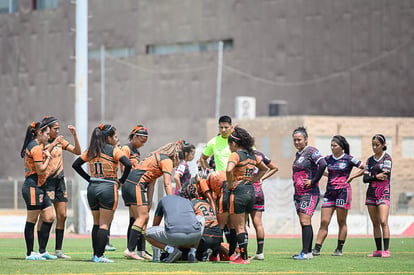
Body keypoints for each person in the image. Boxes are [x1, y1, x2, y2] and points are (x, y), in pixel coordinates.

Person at [72, 124, 132, 263]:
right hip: (108, 187)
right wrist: (121, 181)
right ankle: (100, 256)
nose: (116, 139)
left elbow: (75, 165)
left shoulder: (92, 150)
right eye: (115, 136)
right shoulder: (114, 150)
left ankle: (95, 255)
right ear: (108, 138)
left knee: (96, 223)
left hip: (92, 187)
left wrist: (89, 178)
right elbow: (128, 164)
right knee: (105, 224)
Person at [121, 141, 181, 260]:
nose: (177, 164)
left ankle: (141, 251)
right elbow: (167, 183)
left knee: (142, 217)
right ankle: (130, 250)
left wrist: (148, 202)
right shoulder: (167, 160)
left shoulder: (155, 157)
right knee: (142, 217)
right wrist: (171, 202)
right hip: (136, 185)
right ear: (176, 156)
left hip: (130, 185)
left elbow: (151, 183)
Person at [312, 135, 364, 257]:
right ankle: (317, 248)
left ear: (342, 147)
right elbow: (318, 167)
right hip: (329, 193)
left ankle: (339, 248)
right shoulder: (327, 159)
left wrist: (352, 177)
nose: (332, 147)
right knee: (324, 221)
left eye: (334, 145)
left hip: (343, 192)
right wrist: (324, 174)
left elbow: (365, 167)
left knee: (341, 221)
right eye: (331, 145)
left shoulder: (349, 159)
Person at [37, 116, 81, 259]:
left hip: (59, 181)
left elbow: (77, 151)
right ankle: (41, 249)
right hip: (47, 181)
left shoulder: (60, 142)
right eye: (55, 128)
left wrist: (74, 135)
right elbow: (42, 155)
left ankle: (58, 250)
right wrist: (54, 142)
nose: (57, 130)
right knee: (46, 217)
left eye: (58, 128)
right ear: (48, 129)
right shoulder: (41, 142)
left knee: (62, 215)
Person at [226, 126, 268, 264]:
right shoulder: (252, 155)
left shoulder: (235, 155)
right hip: (251, 192)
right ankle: (243, 255)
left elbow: (229, 169)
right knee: (243, 226)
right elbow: (264, 168)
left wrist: (230, 183)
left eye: (229, 144)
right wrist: (253, 180)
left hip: (238, 192)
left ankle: (243, 258)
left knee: (239, 227)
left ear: (233, 143)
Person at [20, 120, 57, 260]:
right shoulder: (35, 148)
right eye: (47, 134)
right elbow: (41, 170)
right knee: (32, 220)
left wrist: (47, 152)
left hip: (41, 187)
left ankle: (42, 251)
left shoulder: (38, 146)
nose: (49, 136)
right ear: (39, 133)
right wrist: (48, 158)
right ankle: (30, 253)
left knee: (49, 217)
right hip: (33, 187)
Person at [291, 127, 327, 260]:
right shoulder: (298, 154)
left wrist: (313, 180)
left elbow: (323, 164)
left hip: (310, 192)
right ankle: (307, 251)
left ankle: (306, 253)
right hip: (299, 194)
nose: (297, 142)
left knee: (305, 220)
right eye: (294, 140)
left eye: (299, 139)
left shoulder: (311, 151)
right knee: (304, 222)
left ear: (306, 140)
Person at [145, 188, 205, 263]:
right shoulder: (188, 202)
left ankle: (171, 250)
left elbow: (155, 224)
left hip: (174, 236)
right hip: (195, 237)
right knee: (201, 219)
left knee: (147, 233)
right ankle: (192, 252)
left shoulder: (164, 200)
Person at [119, 125, 149, 258]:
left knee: (134, 218)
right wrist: (124, 181)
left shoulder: (136, 151)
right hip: (131, 185)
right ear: (134, 136)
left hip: (134, 184)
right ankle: (133, 249)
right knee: (141, 217)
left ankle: (139, 250)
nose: (143, 144)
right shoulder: (126, 148)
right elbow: (123, 166)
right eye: (141, 141)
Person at [363, 134, 392, 258]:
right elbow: (365, 179)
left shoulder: (387, 158)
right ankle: (378, 250)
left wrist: (372, 177)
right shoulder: (369, 160)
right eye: (373, 145)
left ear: (383, 145)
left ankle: (386, 250)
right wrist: (375, 177)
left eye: (377, 145)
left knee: (383, 221)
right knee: (375, 223)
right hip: (371, 194)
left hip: (383, 192)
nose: (374, 147)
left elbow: (384, 176)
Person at [250, 150, 279, 260]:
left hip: (245, 191)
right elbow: (274, 167)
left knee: (240, 224)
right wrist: (261, 178)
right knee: (258, 224)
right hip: (258, 191)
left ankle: (241, 253)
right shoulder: (259, 154)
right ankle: (260, 252)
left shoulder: (240, 154)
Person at [186, 179, 222, 261]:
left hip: (204, 238)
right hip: (218, 238)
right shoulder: (206, 202)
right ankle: (209, 252)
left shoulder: (190, 204)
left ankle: (201, 252)